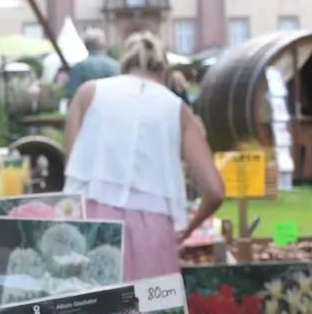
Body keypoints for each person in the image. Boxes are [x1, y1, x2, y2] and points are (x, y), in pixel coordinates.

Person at [64, 32, 225, 279]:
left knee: (89, 312)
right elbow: (214, 191)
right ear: (163, 73)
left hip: (92, 220)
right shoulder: (178, 109)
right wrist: (187, 230)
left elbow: (71, 168)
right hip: (153, 229)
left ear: (123, 66)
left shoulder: (88, 93)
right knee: (150, 313)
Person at [64, 29, 120, 99]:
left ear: (85, 45)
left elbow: (72, 94)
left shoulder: (79, 67)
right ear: (104, 45)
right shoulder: (115, 66)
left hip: (87, 107)